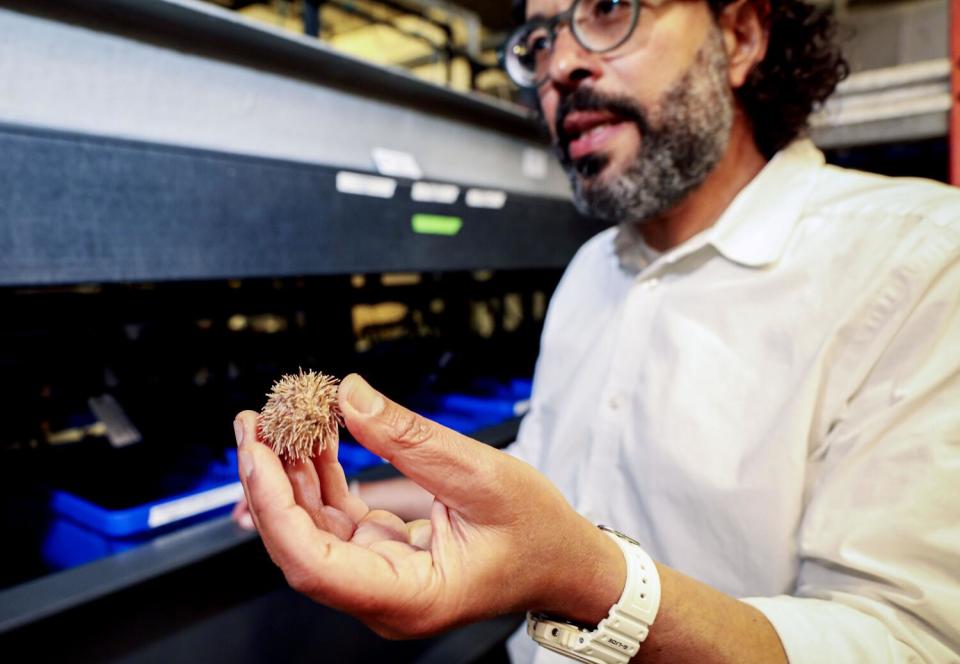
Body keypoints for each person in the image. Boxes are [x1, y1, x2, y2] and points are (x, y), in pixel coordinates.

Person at [233, 0, 960, 661]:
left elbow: (906, 642)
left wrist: (587, 581)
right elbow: (548, 470)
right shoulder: (591, 271)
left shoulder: (919, 259)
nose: (560, 65)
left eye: (609, 8)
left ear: (740, 36)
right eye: (540, 39)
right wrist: (345, 493)